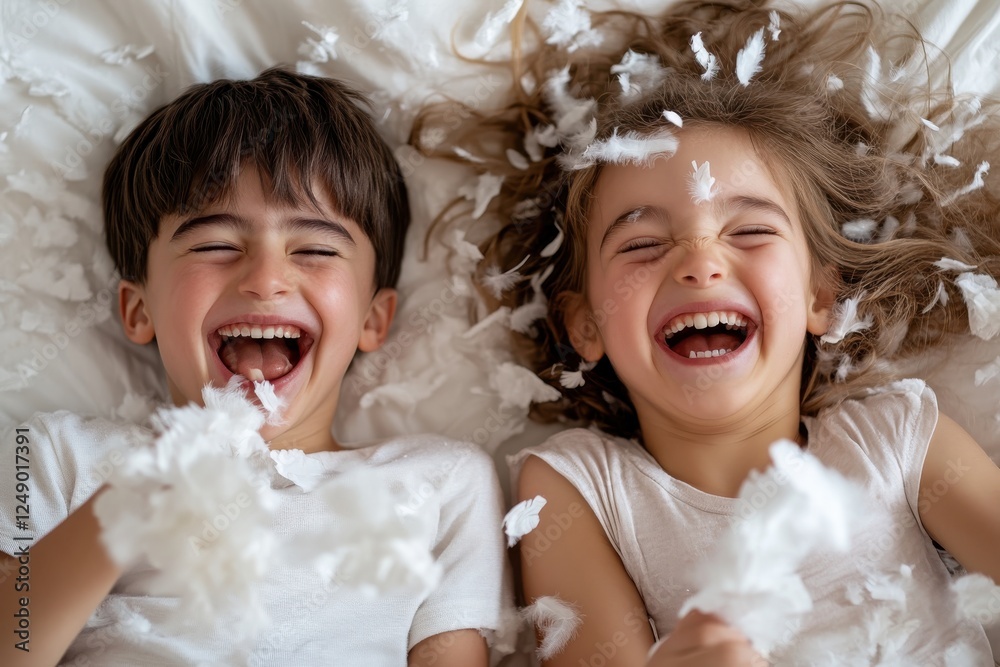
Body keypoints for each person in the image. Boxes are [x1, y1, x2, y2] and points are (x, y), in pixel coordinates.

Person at [413, 1, 1000, 665]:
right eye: (642, 243)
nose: (699, 263)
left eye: (749, 230)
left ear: (821, 295)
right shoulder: (581, 486)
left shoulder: (899, 440)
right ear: (585, 324)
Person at [0, 67, 509, 666]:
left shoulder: (442, 484)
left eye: (315, 249)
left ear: (373, 320)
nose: (266, 280)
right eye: (215, 245)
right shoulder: (52, 456)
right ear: (139, 311)